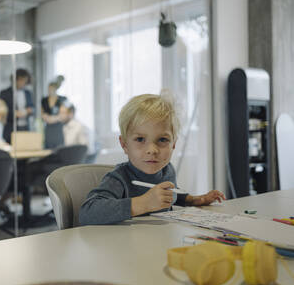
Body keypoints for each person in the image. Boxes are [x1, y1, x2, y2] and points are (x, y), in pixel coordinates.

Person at [79, 93, 225, 225]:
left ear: (173, 144)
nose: (152, 150)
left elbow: (171, 195)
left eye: (162, 139)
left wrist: (193, 200)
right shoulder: (119, 178)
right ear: (124, 145)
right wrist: (143, 203)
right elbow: (87, 213)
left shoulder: (167, 170)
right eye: (140, 139)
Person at [0, 68, 34, 144]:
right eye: (21, 80)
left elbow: (32, 109)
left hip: (25, 128)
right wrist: (14, 113)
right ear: (15, 80)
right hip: (11, 128)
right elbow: (1, 111)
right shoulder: (4, 93)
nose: (23, 83)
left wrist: (28, 111)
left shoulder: (28, 93)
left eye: (25, 81)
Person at [41, 81, 67, 148]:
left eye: (52, 89)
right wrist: (51, 118)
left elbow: (63, 115)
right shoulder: (44, 100)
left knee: (59, 147)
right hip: (49, 128)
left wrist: (52, 118)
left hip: (59, 127)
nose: (50, 91)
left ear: (56, 89)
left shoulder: (62, 99)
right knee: (48, 146)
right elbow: (43, 114)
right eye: (49, 89)